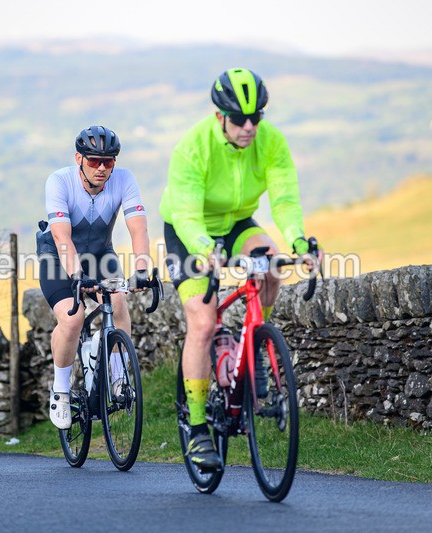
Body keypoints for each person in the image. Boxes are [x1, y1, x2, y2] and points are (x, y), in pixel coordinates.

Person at [160, 68, 321, 470]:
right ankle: (198, 428)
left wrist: (300, 243)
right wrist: (203, 249)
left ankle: (257, 346)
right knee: (202, 322)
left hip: (237, 225)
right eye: (240, 119)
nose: (249, 127)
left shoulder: (271, 141)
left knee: (271, 266)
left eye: (257, 117)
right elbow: (185, 212)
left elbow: (284, 199)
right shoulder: (193, 147)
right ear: (220, 117)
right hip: (189, 231)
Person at [37, 125, 151, 429]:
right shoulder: (59, 181)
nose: (101, 168)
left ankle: (117, 376)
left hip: (100, 254)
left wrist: (142, 268)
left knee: (118, 302)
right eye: (93, 161)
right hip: (58, 257)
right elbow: (62, 237)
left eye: (109, 161)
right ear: (79, 159)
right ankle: (60, 390)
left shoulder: (124, 180)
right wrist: (77, 276)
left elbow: (138, 226)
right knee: (73, 319)